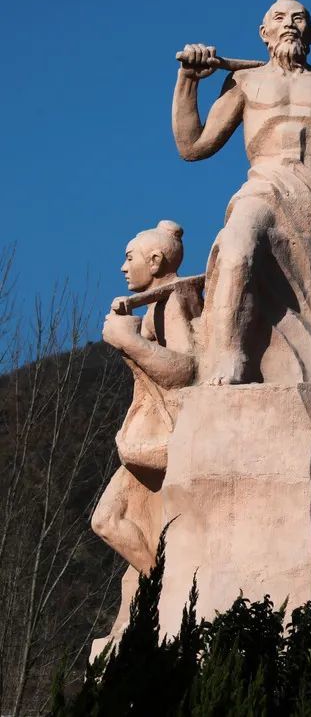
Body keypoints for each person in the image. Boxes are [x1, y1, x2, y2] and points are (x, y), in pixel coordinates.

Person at [171, 0, 311, 387]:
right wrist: (188, 80)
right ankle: (230, 353)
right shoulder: (243, 81)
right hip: (263, 187)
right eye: (279, 17)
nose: (289, 23)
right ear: (264, 32)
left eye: (298, 17)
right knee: (238, 245)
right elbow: (193, 146)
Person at [91, 220, 196, 573]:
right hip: (146, 434)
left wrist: (128, 341)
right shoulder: (154, 306)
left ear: (154, 261)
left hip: (166, 436)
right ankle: (160, 591)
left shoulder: (174, 301)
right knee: (106, 520)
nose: (123, 267)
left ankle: (166, 592)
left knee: (107, 519)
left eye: (129, 258)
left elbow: (185, 370)